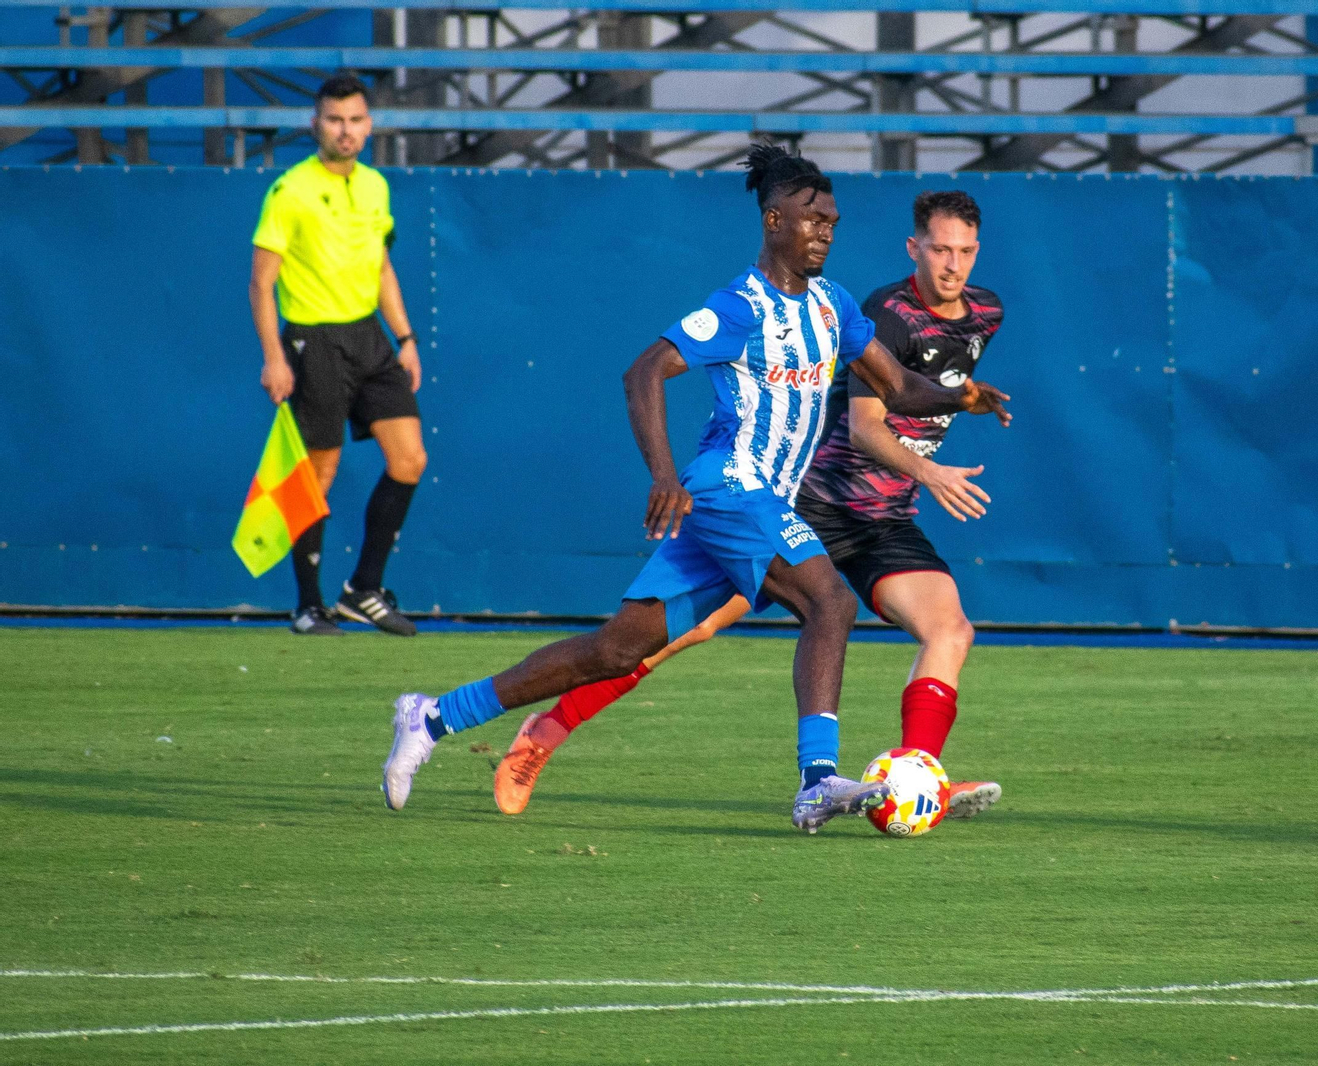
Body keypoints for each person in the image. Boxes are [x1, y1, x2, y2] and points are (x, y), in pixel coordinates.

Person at [381, 144, 1011, 833]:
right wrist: (662, 474)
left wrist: (960, 396)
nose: (825, 232)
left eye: (832, 221)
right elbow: (643, 371)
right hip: (729, 489)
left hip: (760, 500)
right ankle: (817, 780)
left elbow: (901, 386)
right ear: (773, 222)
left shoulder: (832, 306)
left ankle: (435, 715)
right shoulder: (740, 306)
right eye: (811, 220)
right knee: (829, 601)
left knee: (618, 649)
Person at [249, 74, 426, 637]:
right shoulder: (290, 190)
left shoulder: (375, 186)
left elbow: (380, 267)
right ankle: (307, 605)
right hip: (314, 340)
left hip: (369, 338)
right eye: (334, 120)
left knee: (410, 459)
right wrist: (275, 356)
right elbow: (261, 283)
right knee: (318, 474)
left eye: (354, 121)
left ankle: (362, 590)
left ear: (368, 126)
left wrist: (405, 338)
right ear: (315, 125)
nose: (345, 131)